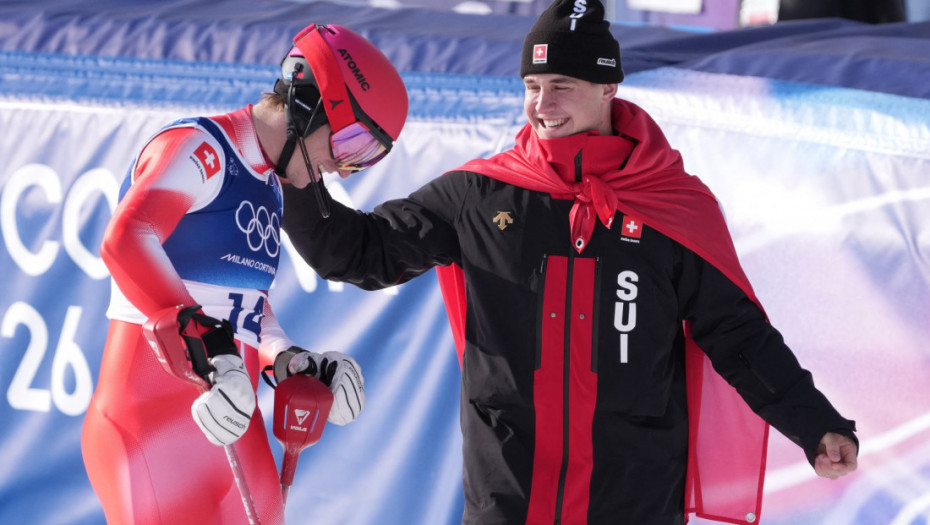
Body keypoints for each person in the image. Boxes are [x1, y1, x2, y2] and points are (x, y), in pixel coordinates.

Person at [279, 1, 858, 524]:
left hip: (633, 504)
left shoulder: (673, 206)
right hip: (509, 502)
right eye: (532, 85)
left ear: (608, 87)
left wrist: (816, 424)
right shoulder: (480, 194)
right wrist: (294, 157)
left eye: (561, 85)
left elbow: (739, 336)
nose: (542, 104)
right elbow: (356, 251)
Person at [81, 23, 408, 525]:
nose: (346, 168)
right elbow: (126, 239)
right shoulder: (202, 147)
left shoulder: (269, 183)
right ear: (311, 104)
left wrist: (290, 361)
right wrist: (211, 346)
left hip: (231, 425)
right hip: (153, 428)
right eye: (353, 143)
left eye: (368, 157)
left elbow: (243, 307)